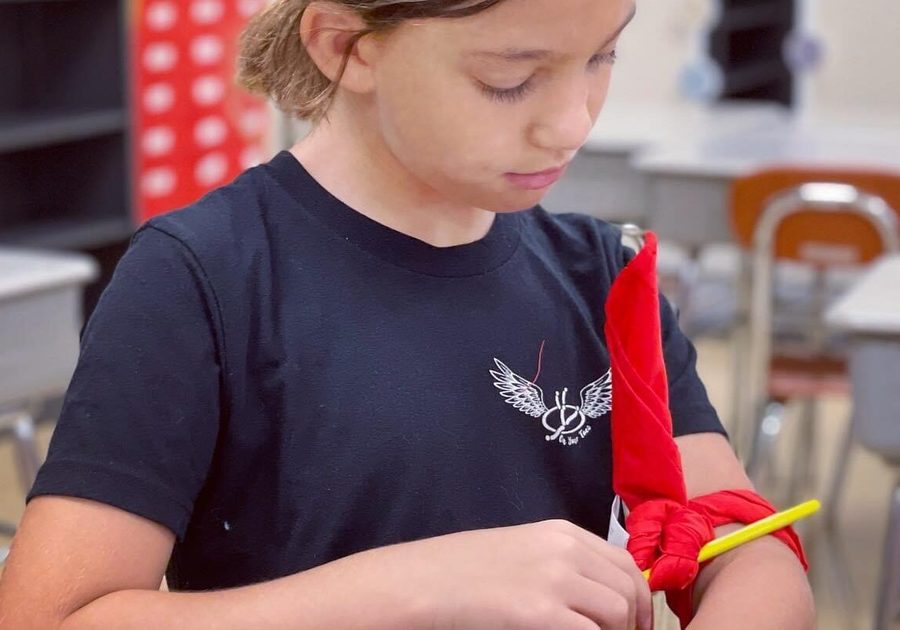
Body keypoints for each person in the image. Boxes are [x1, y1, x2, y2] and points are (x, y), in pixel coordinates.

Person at [0, 1, 814, 628]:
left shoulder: (603, 276)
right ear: (344, 46)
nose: (572, 122)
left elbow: (747, 544)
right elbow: (53, 615)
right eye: (510, 77)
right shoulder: (201, 279)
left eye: (603, 55)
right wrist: (417, 588)